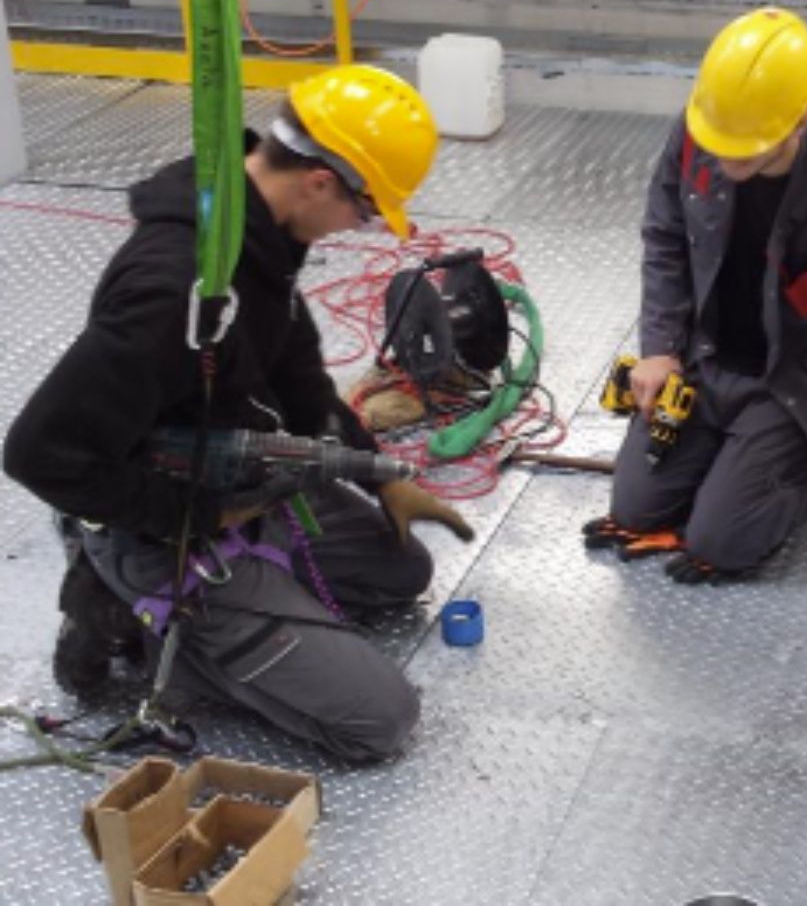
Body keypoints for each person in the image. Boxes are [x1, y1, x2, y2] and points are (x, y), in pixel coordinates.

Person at [2, 64, 475, 763]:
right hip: (164, 530)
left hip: (234, 486)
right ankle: (137, 622)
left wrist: (380, 475)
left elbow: (302, 382)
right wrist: (191, 517)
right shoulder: (174, 292)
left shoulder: (259, 239)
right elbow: (37, 453)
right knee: (379, 720)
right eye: (365, 209)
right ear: (320, 182)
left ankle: (242, 605)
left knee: (400, 573)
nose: (359, 227)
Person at [591, 7, 807, 616]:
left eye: (743, 151)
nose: (721, 162)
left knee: (722, 542)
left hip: (788, 384)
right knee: (633, 510)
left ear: (802, 119)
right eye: (715, 145)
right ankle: (731, 454)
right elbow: (664, 238)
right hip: (705, 361)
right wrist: (660, 345)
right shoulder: (699, 131)